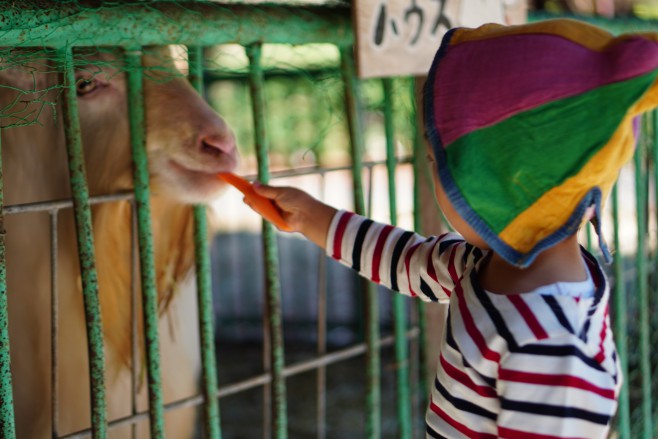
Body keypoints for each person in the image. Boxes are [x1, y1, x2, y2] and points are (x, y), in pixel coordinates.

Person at [243, 18, 658, 438]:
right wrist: (311, 216)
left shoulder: (553, 346)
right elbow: (405, 260)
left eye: (435, 161)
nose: (429, 172)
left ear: (497, 185)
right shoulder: (484, 263)